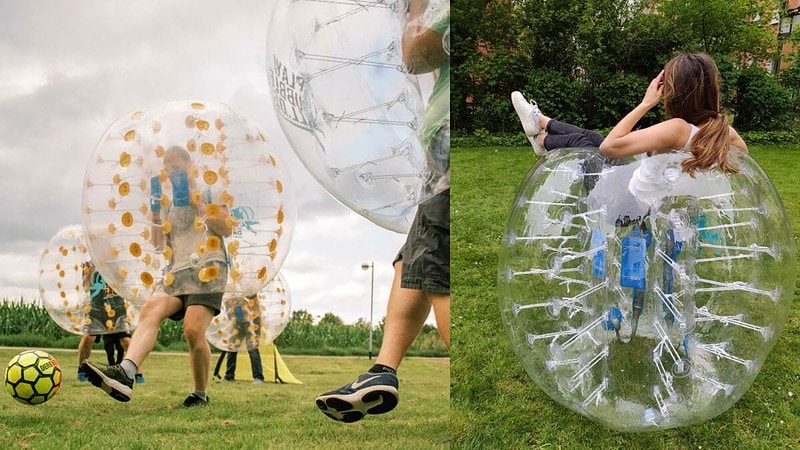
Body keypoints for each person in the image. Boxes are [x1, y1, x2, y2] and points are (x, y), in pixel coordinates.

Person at [315, 0, 450, 423]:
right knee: (410, 262)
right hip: (441, 148)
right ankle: (381, 372)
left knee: (438, 270)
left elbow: (417, 52)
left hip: (448, 140)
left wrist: (415, 9)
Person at [81, 145, 231, 407]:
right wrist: (155, 216)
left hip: (209, 267)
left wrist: (201, 205)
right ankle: (126, 372)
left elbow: (226, 229)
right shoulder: (167, 203)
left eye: (177, 165)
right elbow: (160, 245)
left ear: (189, 164)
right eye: (168, 167)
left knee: (193, 330)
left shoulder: (210, 191)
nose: (173, 171)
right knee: (150, 308)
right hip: (177, 271)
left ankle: (200, 394)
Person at [512, 52, 747, 161]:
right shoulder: (722, 130)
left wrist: (646, 103)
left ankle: (541, 140)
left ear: (676, 93)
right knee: (591, 136)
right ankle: (539, 121)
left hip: (625, 207)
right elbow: (743, 156)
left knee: (586, 143)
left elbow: (609, 147)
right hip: (637, 191)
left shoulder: (677, 128)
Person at [77, 261, 144, 384]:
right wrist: (89, 270)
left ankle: (138, 373)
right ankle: (81, 370)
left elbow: (125, 283)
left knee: (126, 341)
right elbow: (86, 286)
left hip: (117, 309)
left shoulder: (117, 263)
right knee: (87, 338)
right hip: (95, 308)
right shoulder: (89, 264)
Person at [218, 294, 265, 384]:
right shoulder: (230, 291)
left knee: (252, 348)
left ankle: (258, 377)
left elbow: (252, 298)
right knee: (232, 347)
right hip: (237, 322)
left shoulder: (248, 287)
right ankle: (229, 376)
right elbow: (228, 310)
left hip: (252, 320)